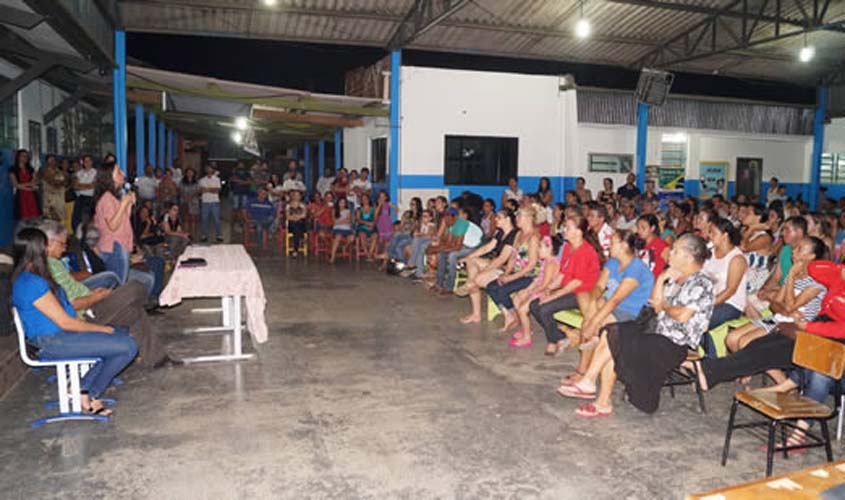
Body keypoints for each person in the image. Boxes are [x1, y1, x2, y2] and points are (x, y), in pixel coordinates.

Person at [559, 234, 714, 417]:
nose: (669, 253)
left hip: (676, 344)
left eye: (675, 251)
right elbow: (656, 306)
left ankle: (595, 390)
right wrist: (662, 277)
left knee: (616, 338)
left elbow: (681, 315)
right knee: (611, 333)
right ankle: (595, 392)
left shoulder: (702, 282)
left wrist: (664, 305)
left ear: (688, 257)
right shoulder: (674, 277)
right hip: (656, 334)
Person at [11, 227, 138, 416]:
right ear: (38, 250)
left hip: (60, 336)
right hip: (53, 341)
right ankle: (88, 393)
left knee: (122, 337)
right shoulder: (31, 282)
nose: (53, 248)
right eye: (46, 244)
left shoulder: (37, 277)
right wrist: (102, 329)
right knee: (127, 346)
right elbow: (66, 323)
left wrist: (103, 329)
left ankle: (82, 390)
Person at [41, 220, 176, 368]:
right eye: (62, 244)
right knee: (134, 288)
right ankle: (145, 305)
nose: (64, 248)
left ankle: (158, 359)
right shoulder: (47, 267)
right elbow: (70, 304)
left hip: (91, 303)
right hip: (85, 313)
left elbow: (73, 289)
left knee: (135, 312)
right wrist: (96, 297)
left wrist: (92, 293)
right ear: (49, 243)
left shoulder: (55, 263)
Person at [561, 230, 655, 386]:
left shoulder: (636, 268)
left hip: (632, 312)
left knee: (592, 323)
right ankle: (585, 366)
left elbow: (616, 300)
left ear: (623, 246)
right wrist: (593, 303)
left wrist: (593, 321)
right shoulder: (613, 262)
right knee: (588, 303)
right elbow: (599, 286)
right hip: (610, 304)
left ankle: (585, 370)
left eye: (612, 243)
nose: (608, 246)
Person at [725, 236, 827, 354]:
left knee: (744, 343)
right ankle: (751, 370)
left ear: (811, 256)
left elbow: (790, 305)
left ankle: (750, 369)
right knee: (731, 339)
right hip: (777, 319)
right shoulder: (792, 276)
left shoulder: (817, 283)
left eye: (799, 249)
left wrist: (792, 275)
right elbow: (774, 305)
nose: (793, 251)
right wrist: (786, 311)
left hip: (795, 326)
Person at [529, 213, 602, 356]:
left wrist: (553, 295)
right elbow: (563, 274)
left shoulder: (585, 251)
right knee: (534, 305)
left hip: (582, 292)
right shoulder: (568, 247)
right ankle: (560, 336)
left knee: (544, 308)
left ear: (579, 232)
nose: (564, 231)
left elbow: (575, 283)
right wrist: (549, 289)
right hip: (568, 289)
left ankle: (553, 341)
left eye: (568, 228)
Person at [486, 207, 541, 332]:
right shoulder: (519, 235)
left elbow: (532, 265)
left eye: (519, 216)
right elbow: (512, 257)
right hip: (518, 272)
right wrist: (505, 274)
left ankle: (524, 323)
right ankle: (511, 315)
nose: (516, 219)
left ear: (528, 219)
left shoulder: (533, 237)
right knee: (491, 287)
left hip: (531, 275)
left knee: (502, 290)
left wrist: (510, 278)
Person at [509, 235, 562, 347]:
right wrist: (527, 289)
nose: (538, 249)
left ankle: (527, 338)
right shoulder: (545, 262)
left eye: (540, 247)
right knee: (516, 298)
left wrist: (529, 293)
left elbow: (544, 285)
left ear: (550, 248)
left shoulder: (551, 263)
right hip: (538, 289)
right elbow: (537, 279)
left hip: (545, 292)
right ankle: (526, 329)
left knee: (523, 309)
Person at [432, 206, 483, 295]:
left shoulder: (460, 224)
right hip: (465, 245)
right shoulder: (451, 225)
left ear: (454, 217)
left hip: (474, 248)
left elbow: (457, 246)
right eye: (444, 217)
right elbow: (448, 242)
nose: (445, 219)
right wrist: (440, 248)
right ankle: (439, 283)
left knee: (452, 255)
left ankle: (449, 287)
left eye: (447, 216)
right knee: (442, 254)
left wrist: (441, 249)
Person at [9, 149, 40, 221]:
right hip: (21, 195)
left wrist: (32, 185)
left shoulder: (30, 169)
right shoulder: (13, 169)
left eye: (26, 156)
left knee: (34, 216)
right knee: (23, 218)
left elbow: (35, 180)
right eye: (23, 156)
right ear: (18, 157)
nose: (25, 158)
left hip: (32, 195)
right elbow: (15, 185)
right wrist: (29, 186)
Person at [72, 154, 97, 232]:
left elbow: (94, 185)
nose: (87, 162)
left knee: (88, 218)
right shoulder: (79, 173)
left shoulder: (96, 172)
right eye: (85, 161)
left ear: (92, 162)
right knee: (77, 218)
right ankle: (79, 235)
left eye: (89, 160)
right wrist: (89, 185)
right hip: (80, 198)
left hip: (91, 198)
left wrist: (81, 185)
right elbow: (75, 186)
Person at [198, 165, 223, 243]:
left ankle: (219, 235)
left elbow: (217, 190)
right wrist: (211, 189)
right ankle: (204, 235)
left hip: (215, 201)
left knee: (216, 219)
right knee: (204, 219)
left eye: (210, 169)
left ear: (213, 170)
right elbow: (201, 191)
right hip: (205, 201)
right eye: (207, 169)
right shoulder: (202, 180)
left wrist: (207, 189)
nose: (209, 170)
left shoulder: (217, 179)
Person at [40, 154, 68, 222]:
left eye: (54, 160)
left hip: (60, 197)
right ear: (47, 161)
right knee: (50, 216)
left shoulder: (59, 171)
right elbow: (52, 182)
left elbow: (66, 182)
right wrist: (60, 182)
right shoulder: (44, 171)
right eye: (50, 160)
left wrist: (60, 182)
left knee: (59, 218)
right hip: (50, 197)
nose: (52, 162)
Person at [329, 198, 354, 263]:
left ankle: (345, 246)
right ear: (338, 203)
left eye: (344, 203)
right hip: (337, 228)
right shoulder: (334, 210)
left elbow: (349, 221)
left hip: (347, 228)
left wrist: (340, 221)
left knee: (351, 238)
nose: (342, 204)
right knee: (338, 237)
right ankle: (332, 256)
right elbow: (334, 221)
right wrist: (344, 221)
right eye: (341, 202)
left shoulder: (347, 211)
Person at [229, 161, 253, 226]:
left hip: (245, 192)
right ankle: (234, 220)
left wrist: (242, 182)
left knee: (243, 208)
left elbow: (250, 182)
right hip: (236, 192)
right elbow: (233, 180)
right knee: (235, 207)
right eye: (240, 164)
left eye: (242, 164)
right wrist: (244, 182)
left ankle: (242, 221)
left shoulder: (247, 173)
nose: (241, 165)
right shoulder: (235, 173)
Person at [285, 190, 307, 257]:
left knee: (298, 224)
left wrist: (297, 217)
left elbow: (304, 215)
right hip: (292, 224)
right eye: (295, 195)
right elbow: (288, 216)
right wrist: (294, 218)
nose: (296, 197)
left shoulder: (303, 205)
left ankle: (295, 250)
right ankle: (301, 239)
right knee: (295, 226)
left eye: (298, 195)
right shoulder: (288, 206)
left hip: (301, 224)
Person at [179, 167, 200, 238]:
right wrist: (186, 197)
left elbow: (198, 191)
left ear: (194, 173)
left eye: (191, 172)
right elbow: (180, 190)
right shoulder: (182, 181)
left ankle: (193, 235)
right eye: (188, 172)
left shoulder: (196, 182)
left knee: (193, 219)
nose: (190, 173)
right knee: (185, 219)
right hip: (184, 201)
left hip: (194, 202)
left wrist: (191, 197)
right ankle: (186, 235)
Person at [355, 194, 377, 260]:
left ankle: (370, 254)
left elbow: (375, 219)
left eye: (366, 199)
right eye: (363, 199)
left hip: (372, 226)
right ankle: (367, 254)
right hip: (362, 226)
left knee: (375, 236)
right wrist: (367, 223)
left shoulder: (373, 209)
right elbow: (358, 220)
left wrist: (372, 225)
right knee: (362, 235)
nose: (364, 200)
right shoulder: (359, 209)